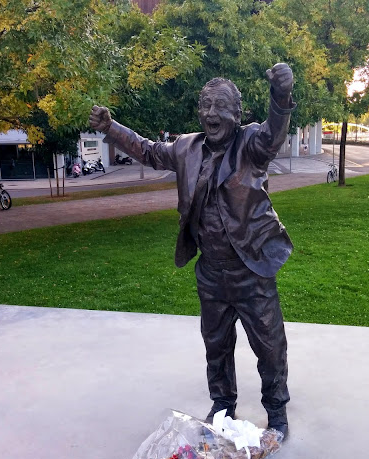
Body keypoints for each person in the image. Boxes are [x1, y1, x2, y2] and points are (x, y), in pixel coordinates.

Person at [89, 63, 295, 439]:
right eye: (206, 105)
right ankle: (223, 404)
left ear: (237, 114)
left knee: (269, 345)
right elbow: (149, 151)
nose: (211, 114)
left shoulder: (251, 144)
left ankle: (277, 411)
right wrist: (110, 128)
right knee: (215, 344)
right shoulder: (187, 147)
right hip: (211, 271)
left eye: (220, 106)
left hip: (250, 270)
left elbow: (273, 134)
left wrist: (280, 96)